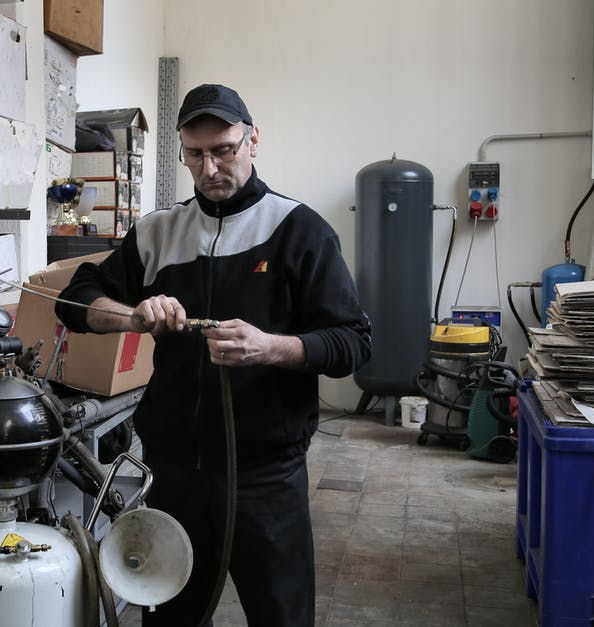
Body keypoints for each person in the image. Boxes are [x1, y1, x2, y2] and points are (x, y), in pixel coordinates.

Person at [55, 83, 372, 627]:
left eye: (224, 150)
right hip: (175, 473)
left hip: (265, 475)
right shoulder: (157, 232)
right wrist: (131, 316)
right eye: (195, 154)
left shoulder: (299, 232)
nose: (210, 168)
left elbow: (352, 342)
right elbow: (73, 299)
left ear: (253, 141)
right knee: (172, 616)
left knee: (281, 616)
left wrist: (270, 347)